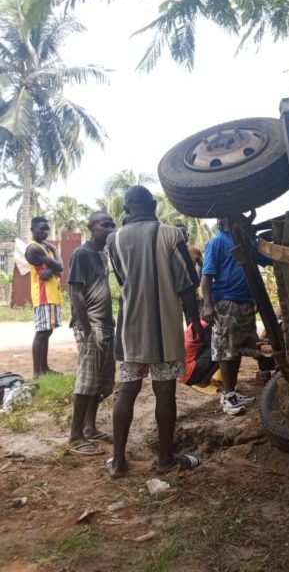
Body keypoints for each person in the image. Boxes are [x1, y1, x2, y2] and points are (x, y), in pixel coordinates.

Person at [106, 185, 203, 478]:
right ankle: (165, 459)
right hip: (165, 327)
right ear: (154, 206)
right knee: (165, 392)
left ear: (126, 210)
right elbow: (186, 283)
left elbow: (123, 279)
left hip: (131, 328)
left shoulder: (114, 239)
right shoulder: (172, 235)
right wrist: (195, 322)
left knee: (127, 391)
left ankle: (118, 462)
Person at [201, 217, 269, 415]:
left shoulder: (245, 242)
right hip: (226, 301)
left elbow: (266, 258)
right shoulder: (217, 242)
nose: (247, 222)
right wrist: (207, 305)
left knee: (237, 349)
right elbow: (207, 276)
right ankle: (228, 394)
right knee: (225, 350)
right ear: (227, 222)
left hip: (246, 301)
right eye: (241, 218)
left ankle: (233, 391)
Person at [67, 212, 116, 456]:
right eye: (103, 225)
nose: (108, 229)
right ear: (91, 228)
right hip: (91, 327)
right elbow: (76, 294)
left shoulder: (102, 255)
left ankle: (90, 427)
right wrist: (86, 330)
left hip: (105, 324)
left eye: (111, 225)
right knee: (87, 382)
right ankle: (75, 436)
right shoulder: (82, 254)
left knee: (101, 382)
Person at [25, 216, 64, 378]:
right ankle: (37, 372)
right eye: (42, 228)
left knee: (47, 332)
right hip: (43, 296)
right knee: (41, 332)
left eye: (47, 228)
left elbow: (58, 271)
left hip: (52, 295)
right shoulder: (34, 248)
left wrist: (53, 269)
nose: (45, 232)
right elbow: (60, 266)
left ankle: (45, 368)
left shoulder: (43, 247)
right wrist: (55, 252)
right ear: (32, 229)